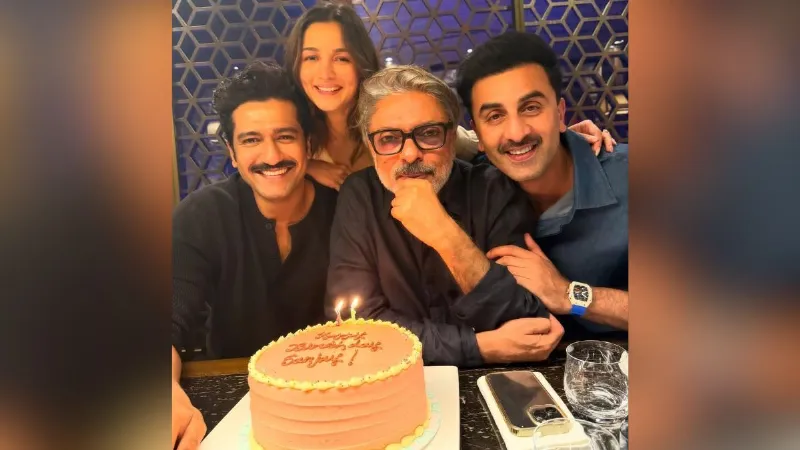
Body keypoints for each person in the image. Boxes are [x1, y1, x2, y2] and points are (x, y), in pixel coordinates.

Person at [326, 65, 565, 368]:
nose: (410, 154)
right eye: (388, 139)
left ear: (451, 137)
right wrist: (478, 347)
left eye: (428, 134)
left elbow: (530, 328)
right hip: (396, 382)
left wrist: (446, 235)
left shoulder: (494, 190)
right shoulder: (360, 196)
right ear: (370, 146)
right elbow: (356, 325)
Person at [171, 61, 338, 449]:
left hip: (337, 401)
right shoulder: (202, 216)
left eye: (285, 136)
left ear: (308, 144)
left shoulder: (345, 210)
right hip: (236, 405)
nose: (272, 155)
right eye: (251, 140)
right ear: (231, 152)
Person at [284, 2, 615, 191]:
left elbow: (480, 143)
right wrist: (306, 167)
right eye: (311, 57)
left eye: (341, 58)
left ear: (360, 63)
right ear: (297, 64)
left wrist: (563, 141)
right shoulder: (296, 139)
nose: (325, 73)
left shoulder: (399, 121)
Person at [455, 31, 629, 334]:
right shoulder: (474, 190)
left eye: (531, 108)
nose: (517, 133)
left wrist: (569, 295)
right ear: (478, 134)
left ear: (560, 114)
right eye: (495, 116)